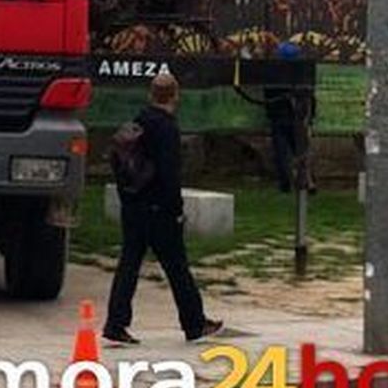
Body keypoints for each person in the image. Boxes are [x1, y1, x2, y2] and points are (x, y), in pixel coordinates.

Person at [103, 71, 222, 345]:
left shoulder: (139, 121)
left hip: (133, 205)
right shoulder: (166, 128)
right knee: (177, 267)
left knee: (129, 265)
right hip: (159, 209)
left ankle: (116, 322)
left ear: (151, 94)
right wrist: (176, 209)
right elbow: (169, 174)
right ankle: (194, 323)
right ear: (175, 96)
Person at [233, 42, 308, 193]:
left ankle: (287, 184)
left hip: (279, 117)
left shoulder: (274, 73)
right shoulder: (299, 73)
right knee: (299, 151)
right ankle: (305, 180)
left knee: (282, 153)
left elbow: (257, 76)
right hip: (294, 117)